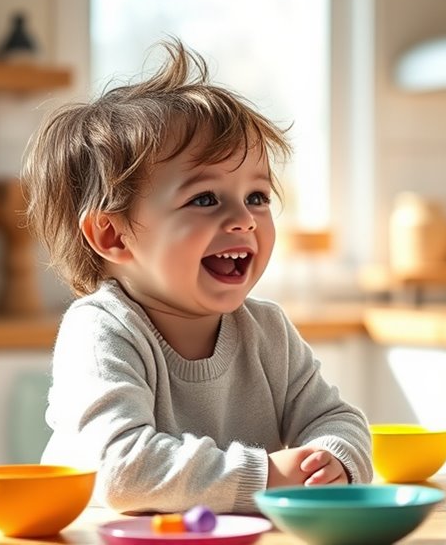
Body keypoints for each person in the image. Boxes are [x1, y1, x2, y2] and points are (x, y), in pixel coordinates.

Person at [21, 40, 373, 514]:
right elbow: (123, 470)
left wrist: (336, 458)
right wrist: (268, 477)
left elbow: (337, 420)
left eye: (258, 197)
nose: (245, 219)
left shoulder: (268, 331)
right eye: (206, 199)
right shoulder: (100, 330)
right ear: (113, 235)